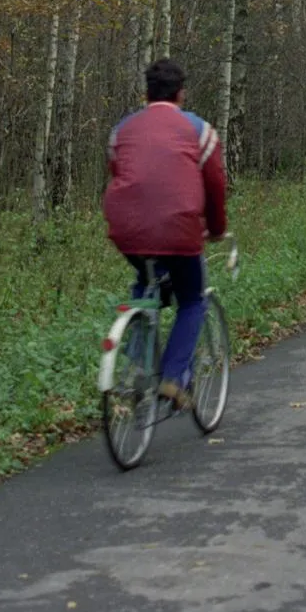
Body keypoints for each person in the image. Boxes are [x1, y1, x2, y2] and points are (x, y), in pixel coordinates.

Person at [102, 59, 228, 409]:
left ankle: (138, 367)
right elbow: (215, 184)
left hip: (127, 231)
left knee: (148, 285)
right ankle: (172, 379)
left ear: (146, 93)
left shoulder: (122, 129)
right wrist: (216, 229)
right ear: (181, 93)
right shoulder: (200, 131)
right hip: (180, 231)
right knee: (192, 299)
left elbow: (119, 171)